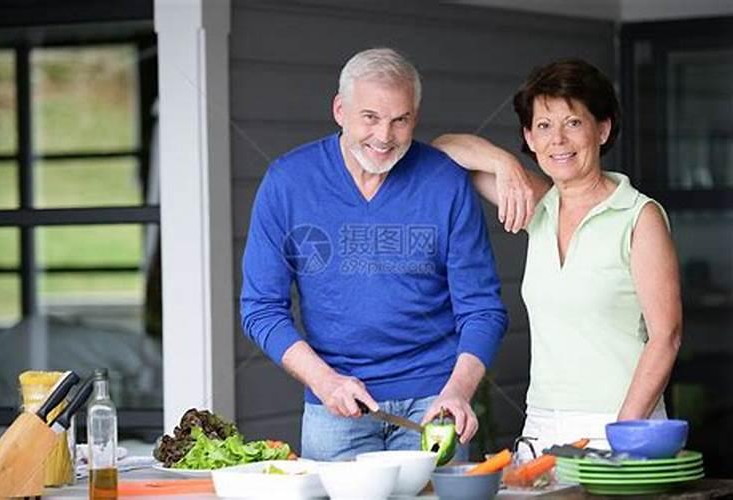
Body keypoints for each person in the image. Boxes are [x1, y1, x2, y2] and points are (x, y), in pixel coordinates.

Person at [240, 48, 508, 460]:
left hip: (433, 406)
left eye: (399, 120)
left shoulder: (445, 183)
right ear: (340, 109)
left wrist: (457, 393)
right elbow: (261, 309)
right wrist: (326, 382)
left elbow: (483, 309)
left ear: (415, 117)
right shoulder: (287, 182)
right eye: (370, 117)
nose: (384, 136)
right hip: (336, 409)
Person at [433, 58, 682, 452]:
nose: (558, 140)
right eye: (544, 126)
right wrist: (504, 163)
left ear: (603, 129)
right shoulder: (540, 207)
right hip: (542, 425)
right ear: (529, 137)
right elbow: (444, 152)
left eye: (573, 123)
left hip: (623, 423)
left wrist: (621, 435)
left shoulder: (639, 217)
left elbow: (666, 337)